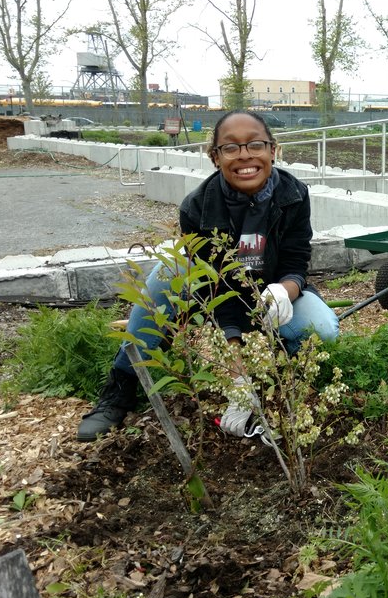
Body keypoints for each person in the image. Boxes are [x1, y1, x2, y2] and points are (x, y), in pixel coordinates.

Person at [78, 110, 340, 442]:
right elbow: (216, 285)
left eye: (255, 144)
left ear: (273, 150)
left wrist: (285, 290)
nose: (244, 155)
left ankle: (271, 371)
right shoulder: (196, 208)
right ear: (214, 157)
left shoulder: (293, 195)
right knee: (157, 291)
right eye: (230, 148)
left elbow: (296, 259)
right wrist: (236, 372)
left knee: (323, 330)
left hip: (270, 286)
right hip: (211, 284)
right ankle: (122, 386)